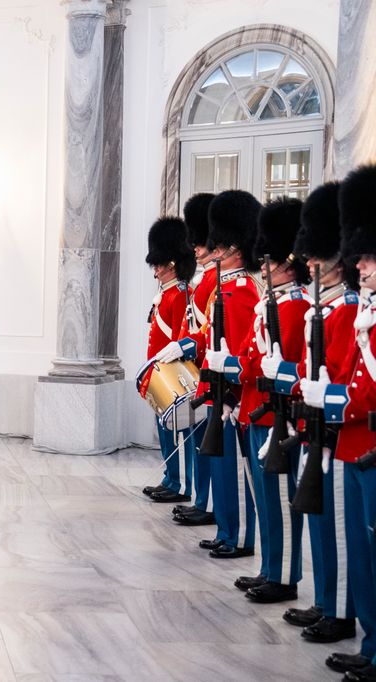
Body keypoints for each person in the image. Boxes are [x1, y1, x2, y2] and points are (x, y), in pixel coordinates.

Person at [214, 197, 310, 601]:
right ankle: (269, 567)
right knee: (263, 498)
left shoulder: (297, 305)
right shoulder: (273, 302)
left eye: (272, 261)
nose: (265, 267)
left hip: (278, 416)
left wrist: (236, 365)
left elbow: (274, 361)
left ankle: (284, 576)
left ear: (290, 260)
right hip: (255, 410)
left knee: (281, 503)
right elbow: (255, 356)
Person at [277, 181, 360, 645]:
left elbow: (347, 375)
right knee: (320, 521)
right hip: (314, 426)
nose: (308, 263)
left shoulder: (346, 308)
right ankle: (327, 600)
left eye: (315, 254)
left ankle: (342, 609)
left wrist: (320, 396)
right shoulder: (324, 305)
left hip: (336, 429)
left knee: (339, 528)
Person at [302, 164, 376, 679]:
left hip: (366, 440)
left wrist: (331, 400)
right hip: (352, 443)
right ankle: (371, 643)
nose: (362, 267)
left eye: (369, 257)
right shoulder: (365, 309)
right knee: (364, 553)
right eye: (359, 257)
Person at [176, 190, 262, 558]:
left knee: (235, 473)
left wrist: (229, 389)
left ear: (235, 248)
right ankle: (227, 530)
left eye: (220, 245)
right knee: (222, 467)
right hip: (218, 388)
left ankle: (238, 536)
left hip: (234, 395)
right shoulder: (224, 288)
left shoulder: (242, 290)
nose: (212, 251)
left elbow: (241, 349)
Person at [140, 217, 197, 504]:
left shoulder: (181, 293)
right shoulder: (166, 293)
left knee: (178, 431)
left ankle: (182, 483)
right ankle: (171, 477)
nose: (157, 270)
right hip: (159, 372)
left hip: (172, 374)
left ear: (173, 262)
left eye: (160, 265)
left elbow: (181, 336)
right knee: (165, 430)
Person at [170, 193, 218, 527]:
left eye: (200, 244)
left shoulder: (218, 280)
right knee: (199, 440)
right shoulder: (206, 279)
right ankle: (201, 498)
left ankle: (207, 501)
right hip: (196, 367)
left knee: (207, 444)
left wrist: (189, 345)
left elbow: (208, 328)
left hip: (206, 368)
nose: (196, 249)